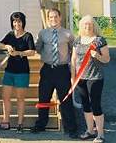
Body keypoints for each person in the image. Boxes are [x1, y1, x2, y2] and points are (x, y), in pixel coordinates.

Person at [31, 8, 78, 138]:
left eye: (55, 16)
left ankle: (71, 128)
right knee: (44, 98)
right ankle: (41, 124)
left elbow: (73, 51)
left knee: (65, 99)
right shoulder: (42, 33)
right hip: (47, 70)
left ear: (60, 17)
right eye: (50, 17)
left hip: (62, 70)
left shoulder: (68, 34)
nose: (53, 19)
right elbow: (38, 48)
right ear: (48, 19)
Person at [72, 15, 110, 143]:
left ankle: (100, 134)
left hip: (95, 78)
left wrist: (97, 55)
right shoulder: (77, 41)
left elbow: (107, 59)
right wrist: (73, 78)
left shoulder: (99, 40)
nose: (87, 26)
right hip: (80, 78)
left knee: (95, 104)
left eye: (90, 24)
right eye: (85, 24)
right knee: (85, 105)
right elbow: (73, 60)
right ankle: (90, 130)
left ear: (94, 26)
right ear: (81, 26)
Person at [0, 12, 36, 133]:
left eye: (19, 21)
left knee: (20, 98)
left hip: (22, 71)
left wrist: (19, 53)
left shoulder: (28, 36)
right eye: (14, 21)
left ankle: (20, 124)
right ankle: (6, 122)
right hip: (9, 70)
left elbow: (32, 52)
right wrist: (7, 46)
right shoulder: (10, 34)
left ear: (23, 22)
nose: (16, 24)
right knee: (6, 97)